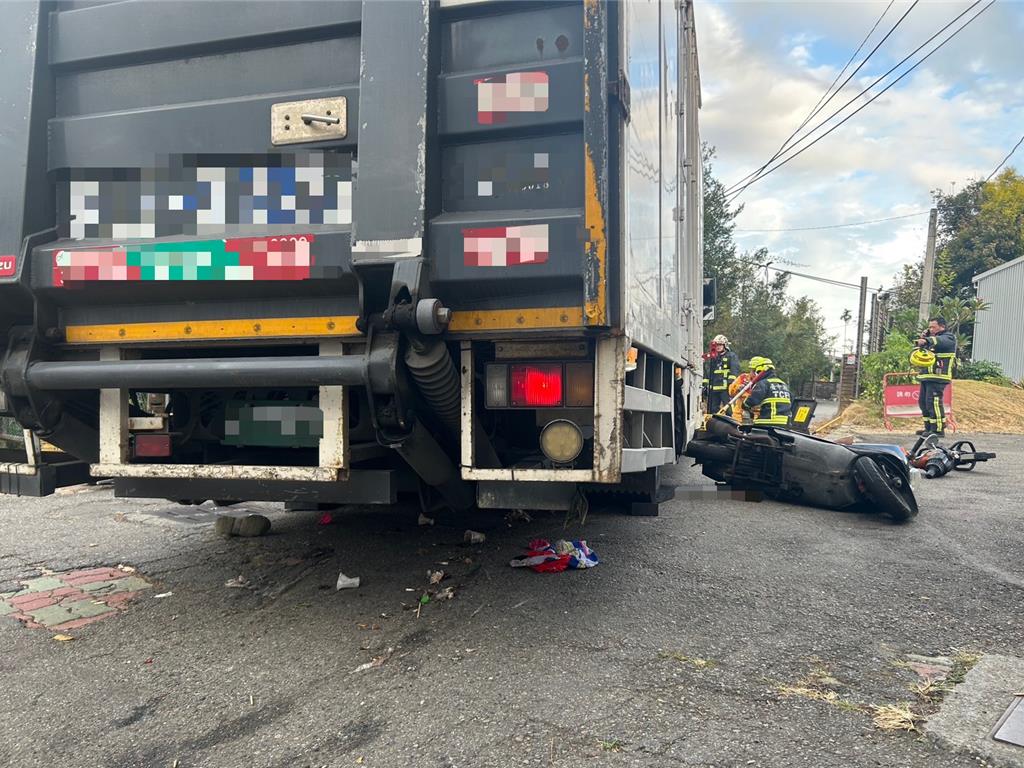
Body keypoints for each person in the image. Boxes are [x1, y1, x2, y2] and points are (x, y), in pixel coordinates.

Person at [914, 316, 956, 436]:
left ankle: (938, 429)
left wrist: (928, 340)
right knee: (923, 402)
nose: (931, 329)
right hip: (927, 375)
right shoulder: (931, 339)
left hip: (939, 376)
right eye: (929, 327)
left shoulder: (948, 337)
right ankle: (928, 428)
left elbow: (940, 341)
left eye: (933, 327)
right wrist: (923, 339)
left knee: (934, 402)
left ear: (942, 326)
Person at [743, 356, 792, 426]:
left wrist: (745, 404)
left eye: (752, 371)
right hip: (785, 422)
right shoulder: (783, 384)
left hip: (769, 421)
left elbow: (752, 400)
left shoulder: (763, 383)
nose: (751, 374)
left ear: (758, 371)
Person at [703, 334, 740, 415]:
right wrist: (705, 384)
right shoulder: (712, 358)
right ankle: (714, 424)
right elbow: (707, 372)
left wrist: (731, 384)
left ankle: (730, 424)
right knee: (712, 409)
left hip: (726, 389)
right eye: (716, 345)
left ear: (725, 345)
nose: (718, 347)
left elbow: (734, 370)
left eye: (720, 344)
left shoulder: (731, 356)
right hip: (713, 388)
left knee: (728, 408)